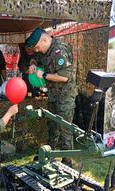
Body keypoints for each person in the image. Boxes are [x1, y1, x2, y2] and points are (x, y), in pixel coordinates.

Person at [26, 27, 78, 166]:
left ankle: (67, 163)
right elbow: (35, 58)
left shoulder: (60, 51)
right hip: (54, 95)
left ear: (45, 39)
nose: (37, 50)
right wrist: (32, 64)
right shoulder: (44, 50)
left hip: (65, 97)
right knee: (53, 127)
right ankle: (49, 156)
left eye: (37, 47)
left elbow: (64, 77)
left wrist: (43, 75)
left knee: (65, 129)